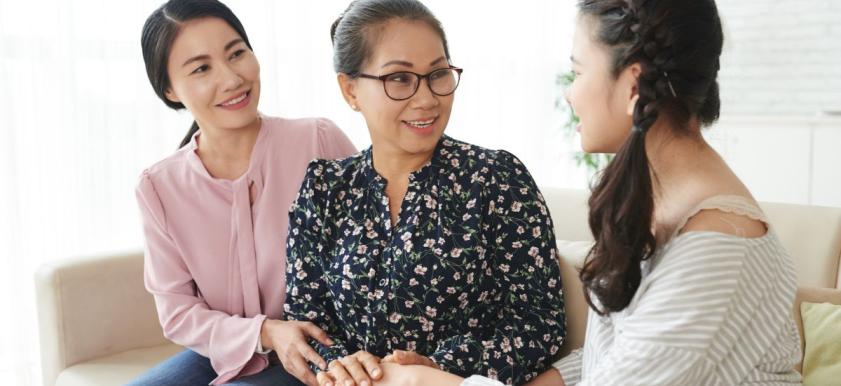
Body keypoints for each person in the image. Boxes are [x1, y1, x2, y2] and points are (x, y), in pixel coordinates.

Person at [372, 0, 803, 385]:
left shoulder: (715, 251)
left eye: (577, 72)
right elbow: (619, 357)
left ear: (633, 86)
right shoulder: (666, 205)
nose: (570, 93)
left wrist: (419, 381)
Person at [282, 1, 567, 386]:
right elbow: (307, 322)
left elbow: (540, 324)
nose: (427, 98)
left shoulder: (497, 178)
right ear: (350, 90)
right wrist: (343, 368)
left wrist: (439, 366)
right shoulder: (323, 188)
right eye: (399, 78)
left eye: (438, 74)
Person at [130, 1, 356, 385]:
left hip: (324, 351)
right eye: (202, 68)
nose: (232, 78)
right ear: (169, 89)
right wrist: (265, 332)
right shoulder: (159, 188)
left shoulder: (318, 141)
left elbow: (378, 249)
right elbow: (178, 312)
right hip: (226, 353)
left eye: (237, 53)